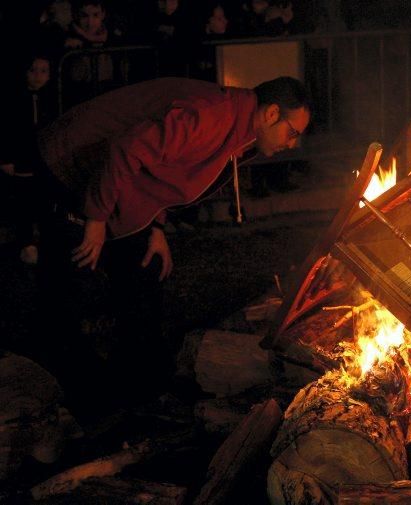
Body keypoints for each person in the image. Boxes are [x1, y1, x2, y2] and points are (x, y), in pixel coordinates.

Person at [35, 76, 310, 413]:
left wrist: (155, 225)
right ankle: (77, 396)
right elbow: (127, 149)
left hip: (109, 180)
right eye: (292, 132)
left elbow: (168, 168)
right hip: (71, 164)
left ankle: (139, 387)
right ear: (271, 114)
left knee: (143, 273)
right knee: (68, 285)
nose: (293, 144)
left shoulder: (238, 129)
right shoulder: (212, 117)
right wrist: (95, 218)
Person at [0, 54, 57, 265]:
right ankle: (27, 243)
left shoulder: (52, 98)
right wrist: (5, 157)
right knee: (23, 201)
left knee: (43, 200)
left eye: (43, 71)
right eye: (33, 70)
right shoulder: (13, 98)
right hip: (22, 157)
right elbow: (6, 129)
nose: (38, 76)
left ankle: (44, 241)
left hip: (42, 159)